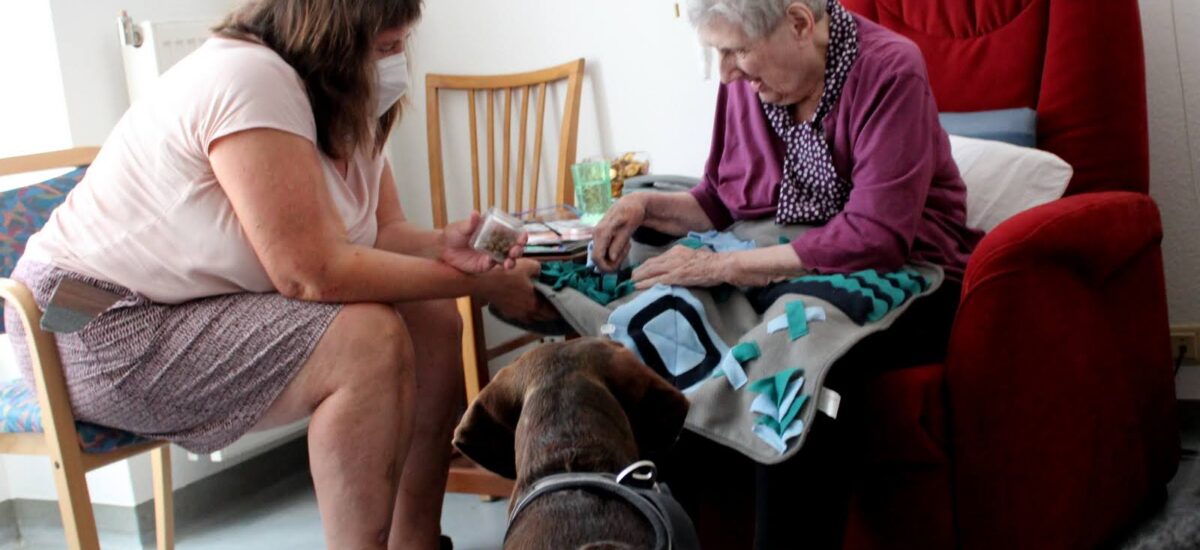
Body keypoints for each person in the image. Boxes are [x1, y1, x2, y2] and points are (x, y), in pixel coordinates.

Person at [2, 1, 540, 548]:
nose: (397, 60)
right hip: (83, 322)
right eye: (384, 47)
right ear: (333, 36)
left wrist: (445, 248)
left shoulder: (343, 103)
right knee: (365, 341)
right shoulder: (250, 77)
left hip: (171, 304)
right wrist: (481, 284)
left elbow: (380, 234)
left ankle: (418, 540)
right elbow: (311, 275)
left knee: (431, 318)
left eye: (401, 44)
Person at [590, 0, 983, 547]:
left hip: (910, 271)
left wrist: (724, 265)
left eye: (738, 51)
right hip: (787, 260)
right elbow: (720, 200)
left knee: (797, 360)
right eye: (719, 52)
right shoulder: (746, 85)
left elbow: (877, 236)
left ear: (799, 24)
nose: (726, 72)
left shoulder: (891, 70)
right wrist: (643, 210)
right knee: (667, 326)